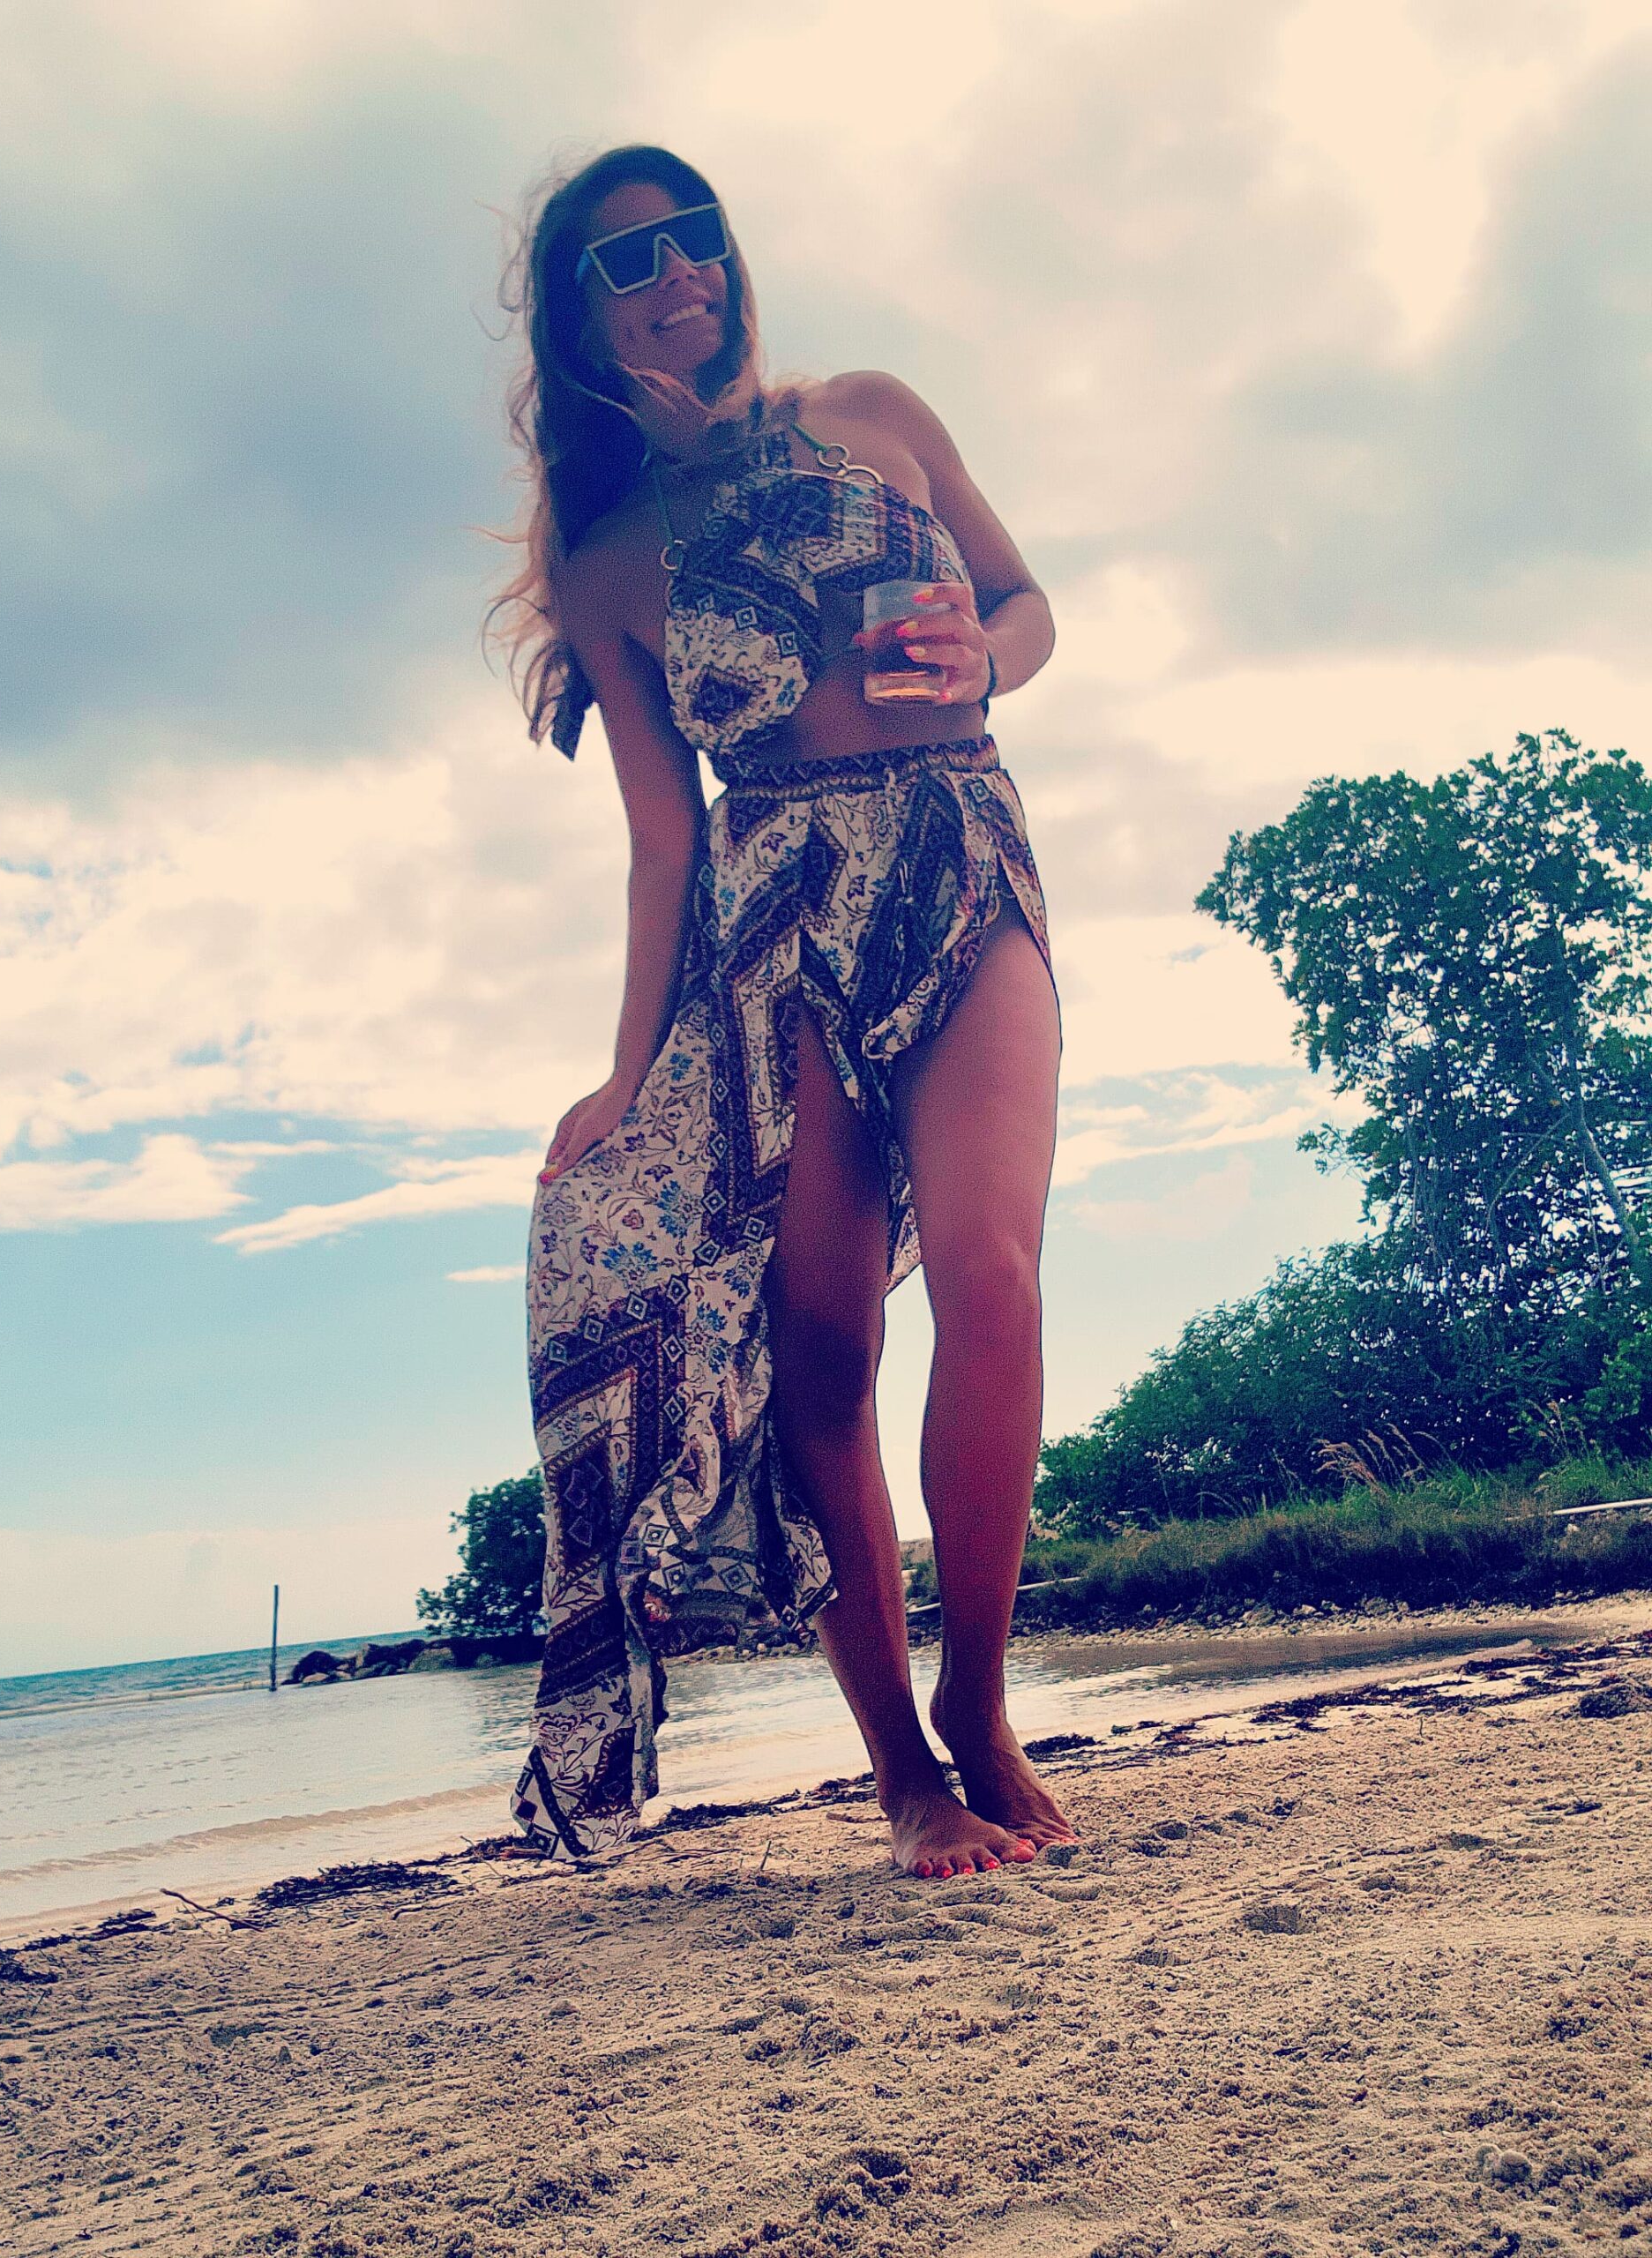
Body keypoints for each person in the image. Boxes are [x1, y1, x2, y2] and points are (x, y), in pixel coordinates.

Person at [489, 144, 1076, 1880]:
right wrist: (626, 1072)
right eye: (629, 259)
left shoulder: (876, 415)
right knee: (820, 1350)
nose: (678, 270)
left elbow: (1026, 604)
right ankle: (901, 1771)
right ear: (580, 317)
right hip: (774, 921)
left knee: (990, 1274)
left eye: (693, 236)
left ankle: (981, 1705)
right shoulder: (612, 564)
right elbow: (661, 839)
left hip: (956, 843)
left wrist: (988, 654)